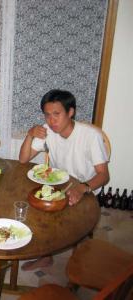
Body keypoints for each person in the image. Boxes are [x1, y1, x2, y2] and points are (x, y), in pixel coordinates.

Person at [19, 89, 110, 270]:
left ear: (70, 112)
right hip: (58, 185)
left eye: (57, 114)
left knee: (75, 225)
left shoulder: (90, 136)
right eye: (47, 115)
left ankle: (79, 260)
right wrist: (30, 134)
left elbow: (103, 175)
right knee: (34, 207)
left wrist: (82, 188)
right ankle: (46, 255)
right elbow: (23, 159)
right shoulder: (47, 131)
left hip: (87, 189)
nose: (51, 121)